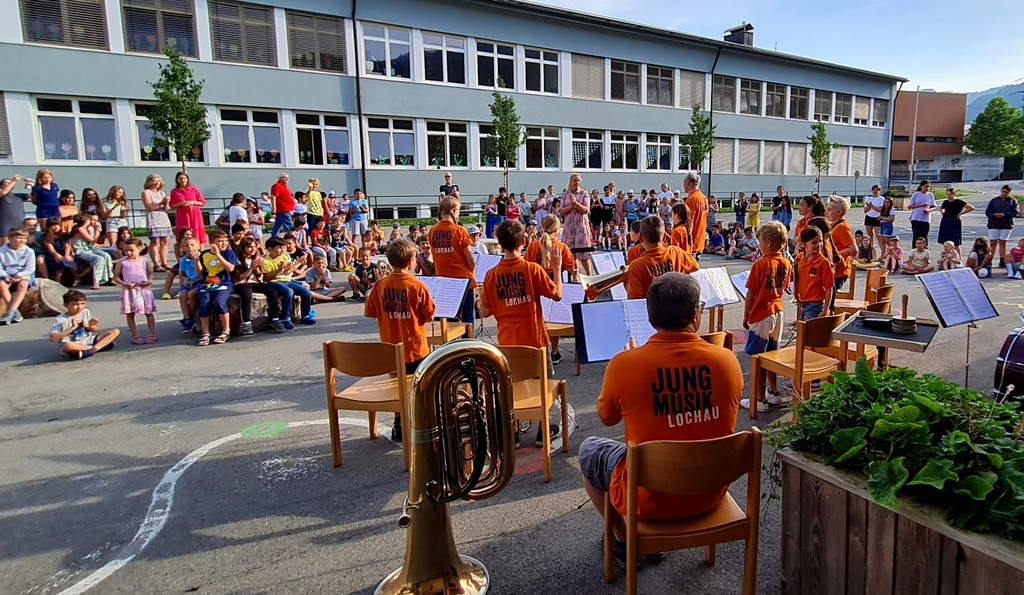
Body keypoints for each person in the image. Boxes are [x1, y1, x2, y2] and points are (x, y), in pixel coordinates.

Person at [579, 272, 742, 565]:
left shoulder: (624, 364)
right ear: (696, 314)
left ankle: (622, 540)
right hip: (710, 490)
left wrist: (627, 364)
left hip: (649, 498)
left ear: (650, 316)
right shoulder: (727, 360)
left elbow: (607, 418)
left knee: (589, 450)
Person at [480, 219, 563, 444]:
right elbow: (557, 295)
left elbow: (485, 311)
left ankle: (513, 431)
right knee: (540, 383)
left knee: (511, 385)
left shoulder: (490, 275)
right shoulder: (531, 269)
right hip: (535, 340)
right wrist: (556, 268)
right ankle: (541, 429)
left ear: (500, 243)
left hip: (507, 342)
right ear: (523, 241)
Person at [365, 238, 437, 441]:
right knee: (419, 387)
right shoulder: (417, 285)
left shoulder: (380, 285)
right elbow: (429, 315)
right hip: (415, 347)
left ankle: (398, 423)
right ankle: (419, 422)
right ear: (411, 260)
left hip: (390, 347)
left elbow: (369, 312)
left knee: (397, 387)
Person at [741, 221, 791, 412]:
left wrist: (746, 316)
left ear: (768, 243)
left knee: (758, 357)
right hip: (778, 311)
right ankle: (774, 391)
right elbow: (785, 286)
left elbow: (751, 293)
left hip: (762, 313)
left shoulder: (760, 264)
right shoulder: (786, 262)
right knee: (772, 354)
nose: (758, 244)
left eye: (760, 240)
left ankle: (759, 398)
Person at [525, 214, 576, 364]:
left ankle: (538, 351)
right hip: (554, 281)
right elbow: (570, 266)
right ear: (557, 229)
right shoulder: (561, 247)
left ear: (542, 227)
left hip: (536, 282)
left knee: (538, 317)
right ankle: (554, 352)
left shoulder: (534, 245)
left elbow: (527, 265)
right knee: (555, 318)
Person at [429, 196, 476, 333]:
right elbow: (471, 261)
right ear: (453, 211)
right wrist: (471, 274)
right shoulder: (459, 231)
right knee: (468, 317)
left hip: (443, 282)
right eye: (458, 211)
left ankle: (452, 349)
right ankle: (469, 348)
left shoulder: (432, 231)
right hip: (462, 279)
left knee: (450, 320)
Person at [625, 216, 698, 299]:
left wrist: (626, 283)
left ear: (640, 237)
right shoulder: (676, 252)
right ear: (664, 237)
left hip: (652, 310)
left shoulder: (637, 266)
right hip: (678, 305)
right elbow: (695, 266)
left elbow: (634, 299)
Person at [195, 229, 239, 346]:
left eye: (225, 240)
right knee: (204, 304)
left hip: (224, 283)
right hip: (207, 283)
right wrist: (196, 260)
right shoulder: (204, 254)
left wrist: (218, 255)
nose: (224, 243)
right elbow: (200, 271)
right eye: (220, 241)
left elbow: (230, 268)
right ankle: (205, 333)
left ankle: (226, 330)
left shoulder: (228, 253)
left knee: (219, 302)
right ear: (212, 242)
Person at [262, 237, 316, 330]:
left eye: (284, 248)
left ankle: (305, 315)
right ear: (270, 249)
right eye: (279, 248)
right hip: (274, 282)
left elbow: (287, 272)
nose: (282, 250)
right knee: (288, 291)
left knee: (306, 291)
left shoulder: (284, 257)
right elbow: (267, 278)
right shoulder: (266, 261)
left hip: (286, 280)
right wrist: (278, 269)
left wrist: (299, 263)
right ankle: (285, 318)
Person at [48, 290, 119, 360]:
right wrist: (73, 328)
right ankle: (100, 346)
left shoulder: (85, 311)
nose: (80, 307)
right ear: (65, 305)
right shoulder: (60, 319)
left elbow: (94, 330)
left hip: (88, 340)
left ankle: (91, 350)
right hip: (74, 343)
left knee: (115, 331)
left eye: (82, 303)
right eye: (75, 304)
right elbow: (52, 338)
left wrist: (90, 326)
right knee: (68, 346)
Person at [114, 238, 157, 344]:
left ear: (139, 249)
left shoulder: (144, 261)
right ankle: (135, 335)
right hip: (129, 290)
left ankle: (152, 333)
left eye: (131, 250)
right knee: (130, 313)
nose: (128, 253)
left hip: (143, 290)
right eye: (125, 251)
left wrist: (149, 281)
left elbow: (150, 272)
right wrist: (124, 284)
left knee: (148, 312)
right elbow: (116, 277)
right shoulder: (122, 262)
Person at [795, 227, 834, 320]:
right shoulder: (800, 258)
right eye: (814, 242)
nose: (819, 245)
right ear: (804, 244)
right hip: (803, 302)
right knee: (803, 330)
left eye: (820, 241)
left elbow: (829, 287)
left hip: (815, 304)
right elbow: (797, 280)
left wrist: (825, 310)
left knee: (808, 331)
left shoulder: (823, 262)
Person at [560, 173, 594, 275]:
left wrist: (576, 203)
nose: (577, 183)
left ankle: (589, 276)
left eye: (578, 180)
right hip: (569, 227)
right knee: (571, 253)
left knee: (583, 253)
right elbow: (561, 211)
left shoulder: (584, 193)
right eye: (575, 181)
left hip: (581, 227)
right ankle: (576, 276)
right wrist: (571, 206)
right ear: (570, 182)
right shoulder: (565, 194)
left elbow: (586, 210)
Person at [826, 196, 857, 303]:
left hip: (838, 271)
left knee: (828, 301)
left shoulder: (842, 227)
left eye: (829, 210)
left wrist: (835, 256)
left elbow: (853, 249)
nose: (827, 212)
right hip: (832, 271)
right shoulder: (833, 226)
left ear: (839, 212)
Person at [0, 228, 35, 324]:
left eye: (24, 238)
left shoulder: (29, 251)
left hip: (24, 273)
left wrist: (19, 275)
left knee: (23, 285)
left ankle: (10, 313)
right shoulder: (1, 251)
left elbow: (30, 268)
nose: (21, 241)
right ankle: (15, 312)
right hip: (7, 273)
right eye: (18, 238)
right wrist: (5, 275)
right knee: (2, 285)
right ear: (10, 238)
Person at [70, 214, 114, 289]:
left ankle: (111, 277)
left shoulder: (87, 229)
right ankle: (96, 281)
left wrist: (96, 231)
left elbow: (92, 243)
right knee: (99, 259)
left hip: (89, 248)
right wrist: (97, 232)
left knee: (106, 255)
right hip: (81, 251)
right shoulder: (80, 229)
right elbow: (92, 240)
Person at [141, 174, 173, 272]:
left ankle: (164, 262)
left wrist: (167, 203)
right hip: (154, 218)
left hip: (163, 217)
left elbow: (167, 208)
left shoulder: (162, 193)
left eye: (158, 181)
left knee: (165, 241)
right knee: (155, 242)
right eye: (154, 181)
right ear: (149, 182)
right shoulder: (146, 193)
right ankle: (156, 264)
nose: (156, 183)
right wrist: (160, 203)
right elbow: (149, 208)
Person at [169, 172, 208, 246]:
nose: (182, 180)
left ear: (187, 179)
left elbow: (202, 202)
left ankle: (199, 250)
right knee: (184, 230)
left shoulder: (194, 189)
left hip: (195, 213)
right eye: (180, 178)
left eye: (184, 178)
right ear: (177, 180)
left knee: (197, 230)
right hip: (182, 214)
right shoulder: (174, 191)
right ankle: (183, 248)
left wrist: (193, 202)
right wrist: (181, 203)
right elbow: (172, 205)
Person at [986, 185, 1019, 269]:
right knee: (992, 243)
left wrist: (1004, 215)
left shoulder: (1012, 201)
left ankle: (1002, 260)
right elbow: (988, 212)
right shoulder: (994, 201)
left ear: (1009, 193)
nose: (1004, 194)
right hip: (994, 224)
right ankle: (989, 259)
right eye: (1003, 191)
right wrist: (994, 215)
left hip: (1006, 225)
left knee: (1002, 243)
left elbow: (1015, 212)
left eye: (1006, 192)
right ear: (1000, 191)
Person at [175, 237, 202, 332]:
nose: (190, 247)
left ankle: (191, 315)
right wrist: (184, 280)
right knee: (182, 295)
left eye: (192, 245)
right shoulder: (183, 260)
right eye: (187, 246)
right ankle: (187, 318)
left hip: (199, 281)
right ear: (183, 248)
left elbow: (203, 273)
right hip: (189, 281)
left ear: (198, 246)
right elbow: (181, 274)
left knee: (191, 294)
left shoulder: (202, 257)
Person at [683, 173, 708, 257]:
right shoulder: (703, 198)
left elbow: (689, 221)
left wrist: (687, 240)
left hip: (692, 242)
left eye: (684, 182)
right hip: (700, 241)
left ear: (687, 182)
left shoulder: (691, 200)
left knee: (689, 269)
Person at [0, 175, 29, 245]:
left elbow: (35, 197)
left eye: (10, 182)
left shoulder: (19, 195)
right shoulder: (1, 194)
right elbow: (3, 193)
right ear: (1, 186)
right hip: (5, 223)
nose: (9, 183)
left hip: (19, 223)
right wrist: (14, 181)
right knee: (5, 244)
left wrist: (31, 185)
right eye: (6, 183)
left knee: (20, 243)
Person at [908, 180, 937, 248]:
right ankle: (914, 251)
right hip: (916, 218)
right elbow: (910, 206)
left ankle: (924, 253)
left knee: (924, 236)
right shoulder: (916, 194)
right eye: (925, 186)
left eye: (929, 187)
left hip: (926, 219)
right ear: (921, 186)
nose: (927, 188)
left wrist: (929, 210)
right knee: (916, 235)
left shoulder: (930, 195)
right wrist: (921, 205)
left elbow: (934, 206)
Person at [269, 173, 294, 238]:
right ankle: (291, 238)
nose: (287, 179)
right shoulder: (277, 186)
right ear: (280, 178)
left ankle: (274, 238)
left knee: (277, 226)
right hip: (283, 209)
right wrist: (274, 209)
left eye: (288, 177)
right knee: (289, 226)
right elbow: (273, 197)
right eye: (285, 177)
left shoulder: (284, 186)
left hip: (286, 209)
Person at [863, 184, 885, 252]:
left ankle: (883, 252)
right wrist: (869, 207)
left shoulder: (881, 199)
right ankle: (871, 251)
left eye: (877, 190)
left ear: (879, 191)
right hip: (869, 217)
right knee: (870, 236)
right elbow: (865, 211)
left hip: (877, 218)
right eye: (874, 190)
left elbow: (881, 210)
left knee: (878, 236)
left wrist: (872, 206)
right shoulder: (869, 199)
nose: (875, 191)